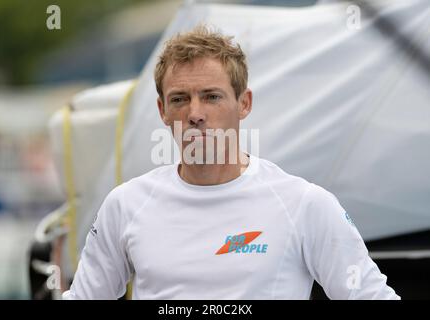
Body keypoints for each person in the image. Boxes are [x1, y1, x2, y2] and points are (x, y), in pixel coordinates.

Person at [63, 26, 399, 300]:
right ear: (163, 110)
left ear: (244, 103)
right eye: (180, 99)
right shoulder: (125, 205)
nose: (195, 114)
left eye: (211, 96)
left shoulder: (304, 204)